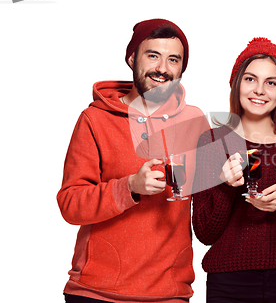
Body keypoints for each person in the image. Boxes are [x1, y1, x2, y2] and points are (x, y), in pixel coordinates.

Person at [57, 19, 209, 303]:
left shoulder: (195, 121)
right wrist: (129, 187)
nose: (163, 68)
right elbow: (70, 204)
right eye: (153, 55)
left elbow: (210, 201)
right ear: (131, 58)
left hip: (169, 294)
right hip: (96, 293)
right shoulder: (95, 120)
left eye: (173, 59)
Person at [192, 38, 276, 303]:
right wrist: (224, 186)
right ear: (236, 83)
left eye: (271, 82)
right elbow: (204, 233)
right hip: (227, 284)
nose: (259, 90)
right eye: (251, 79)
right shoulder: (212, 142)